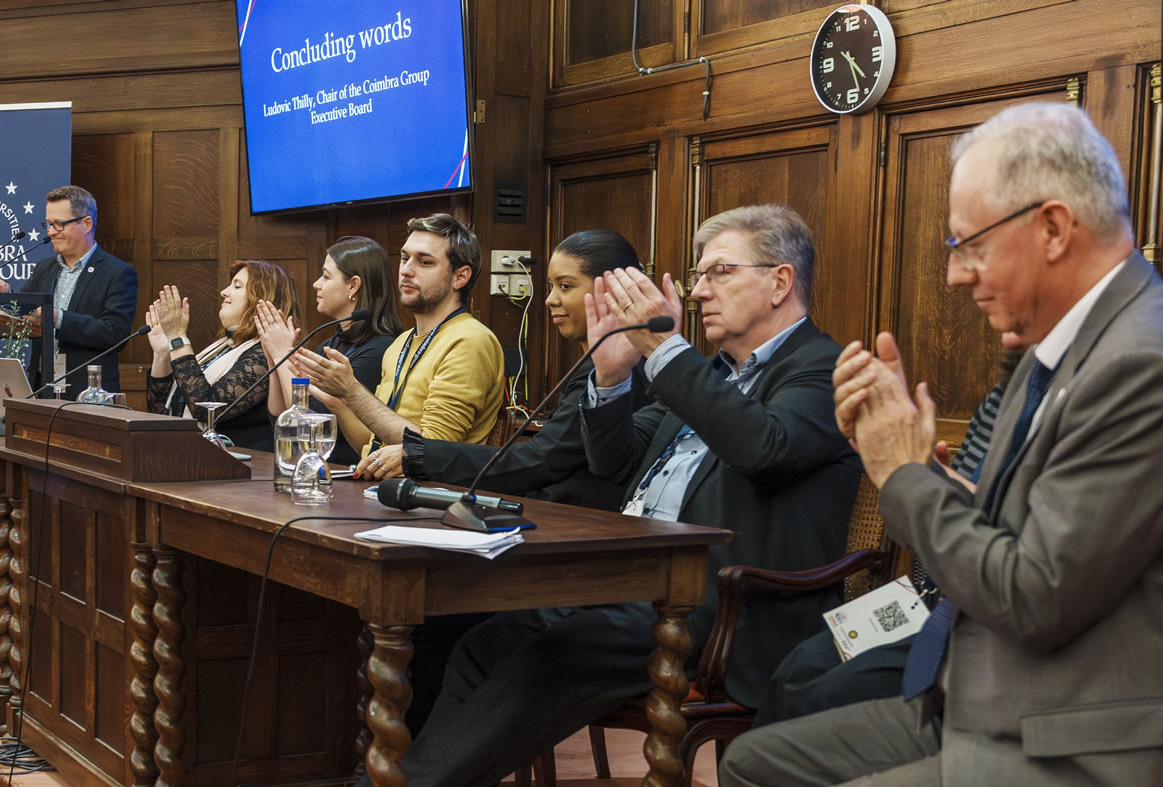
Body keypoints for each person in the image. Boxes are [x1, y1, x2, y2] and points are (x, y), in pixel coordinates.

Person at [720, 102, 1163, 785]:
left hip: (1067, 740)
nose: (955, 275)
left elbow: (1033, 597)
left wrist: (903, 473)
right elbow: (1013, 528)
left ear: (1054, 228)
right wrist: (916, 463)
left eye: (970, 245)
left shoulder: (1142, 363)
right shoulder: (1056, 346)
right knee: (752, 761)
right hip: (978, 698)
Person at [360, 205, 861, 786]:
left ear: (780, 282)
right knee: (481, 645)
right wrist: (611, 377)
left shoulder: (822, 368)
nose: (700, 291)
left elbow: (762, 446)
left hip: (718, 605)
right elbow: (616, 462)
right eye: (699, 275)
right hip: (629, 582)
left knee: (546, 660)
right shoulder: (714, 374)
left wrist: (664, 349)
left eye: (719, 273)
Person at [752, 347, 1020, 728]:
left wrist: (921, 480)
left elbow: (1014, 541)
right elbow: (948, 524)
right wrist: (924, 478)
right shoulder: (999, 399)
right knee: (797, 667)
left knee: (823, 695)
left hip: (979, 618)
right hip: (928, 595)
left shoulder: (1068, 407)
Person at [397, 229, 650, 511]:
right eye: (551, 286)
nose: (550, 299)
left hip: (581, 526)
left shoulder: (623, 370)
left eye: (565, 286)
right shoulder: (595, 364)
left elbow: (542, 460)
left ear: (614, 290)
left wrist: (421, 456)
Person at [293, 213, 503, 478]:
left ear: (460, 277)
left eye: (424, 262)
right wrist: (339, 401)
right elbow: (372, 447)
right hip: (382, 487)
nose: (406, 270)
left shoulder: (469, 340)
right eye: (405, 258)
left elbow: (433, 450)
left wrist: (351, 390)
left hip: (431, 493)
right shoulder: (401, 343)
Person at [255, 236, 402, 466]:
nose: (316, 284)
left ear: (353, 285)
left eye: (325, 276)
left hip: (343, 471)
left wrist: (282, 353)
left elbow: (310, 425)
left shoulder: (380, 348)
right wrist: (274, 358)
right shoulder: (331, 343)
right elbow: (280, 413)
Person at [0, 185, 137, 399]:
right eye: (48, 224)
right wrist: (5, 293)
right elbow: (22, 311)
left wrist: (59, 318)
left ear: (86, 223)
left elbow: (116, 333)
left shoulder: (117, 272)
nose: (51, 232)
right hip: (42, 389)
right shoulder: (44, 268)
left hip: (88, 394)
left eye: (59, 224)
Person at [144, 260, 299, 452]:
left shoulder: (263, 355)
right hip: (190, 455)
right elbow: (160, 413)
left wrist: (177, 337)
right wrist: (162, 353)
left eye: (237, 286)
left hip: (236, 464)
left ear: (261, 299)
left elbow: (205, 410)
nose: (224, 292)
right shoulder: (222, 348)